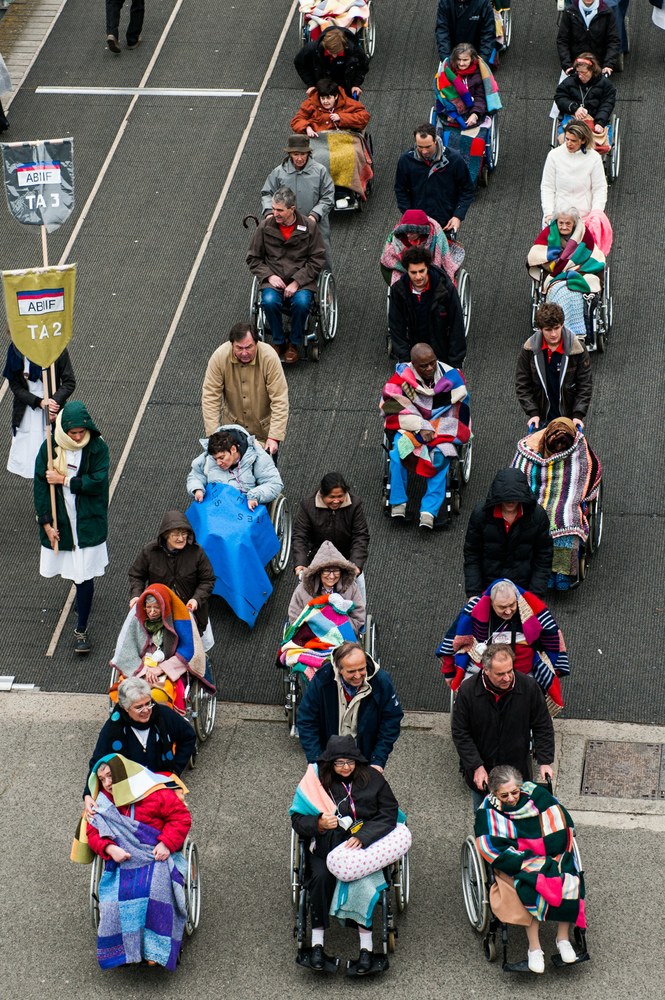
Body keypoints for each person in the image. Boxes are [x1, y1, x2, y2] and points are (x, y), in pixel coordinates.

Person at [290, 735, 410, 975]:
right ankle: (317, 945)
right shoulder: (316, 783)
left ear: (357, 760)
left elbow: (389, 812)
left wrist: (364, 836)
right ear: (330, 763)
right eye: (339, 763)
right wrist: (319, 823)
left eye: (350, 762)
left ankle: (366, 949)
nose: (345, 767)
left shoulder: (373, 779)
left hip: (364, 845)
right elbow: (297, 820)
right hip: (326, 845)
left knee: (362, 882)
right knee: (320, 878)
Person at [83, 755, 191, 970]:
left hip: (154, 854)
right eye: (102, 779)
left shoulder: (155, 793)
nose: (107, 783)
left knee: (156, 890)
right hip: (121, 859)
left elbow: (181, 818)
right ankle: (123, 951)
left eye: (110, 776)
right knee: (115, 899)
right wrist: (110, 848)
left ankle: (156, 951)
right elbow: (93, 832)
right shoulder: (102, 803)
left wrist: (166, 843)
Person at [475, 765, 586, 974]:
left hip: (549, 855)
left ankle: (562, 938)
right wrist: (527, 861)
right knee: (531, 885)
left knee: (569, 879)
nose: (511, 798)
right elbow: (491, 847)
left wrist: (549, 856)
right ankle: (535, 948)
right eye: (504, 795)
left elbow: (561, 824)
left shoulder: (538, 796)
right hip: (517, 861)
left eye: (514, 792)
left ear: (520, 786)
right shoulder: (487, 812)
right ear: (494, 793)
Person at [33, 400, 109, 654]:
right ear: (64, 430)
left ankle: (81, 629)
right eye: (73, 432)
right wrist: (46, 523)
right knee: (77, 572)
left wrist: (64, 479)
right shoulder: (49, 447)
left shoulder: (97, 447)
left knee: (84, 574)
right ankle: (82, 599)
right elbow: (40, 486)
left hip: (87, 521)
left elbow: (97, 482)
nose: (78, 437)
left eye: (81, 432)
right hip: (64, 522)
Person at [437, 578, 570, 714]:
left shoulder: (532, 610)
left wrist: (552, 667)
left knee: (533, 701)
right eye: (502, 607)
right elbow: (453, 642)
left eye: (512, 605)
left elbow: (553, 640)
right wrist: (449, 672)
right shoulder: (473, 610)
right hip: (482, 670)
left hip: (524, 672)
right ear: (491, 603)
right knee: (468, 696)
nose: (508, 611)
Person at [451, 644, 555, 810]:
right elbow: (460, 732)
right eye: (500, 674)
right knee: (484, 817)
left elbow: (542, 725)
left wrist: (545, 761)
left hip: (517, 770)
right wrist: (476, 766)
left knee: (519, 816)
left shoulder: (528, 687)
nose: (507, 678)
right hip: (484, 771)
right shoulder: (468, 691)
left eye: (510, 671)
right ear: (486, 670)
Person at [381, 342, 471, 529]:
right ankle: (398, 503)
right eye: (424, 366)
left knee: (441, 456)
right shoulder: (401, 380)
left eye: (432, 362)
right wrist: (420, 425)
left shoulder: (451, 377)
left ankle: (429, 511)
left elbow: (458, 409)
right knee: (398, 453)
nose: (430, 368)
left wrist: (433, 427)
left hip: (442, 426)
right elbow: (390, 407)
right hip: (410, 427)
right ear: (413, 365)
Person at [513, 417, 602, 590]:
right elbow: (521, 473)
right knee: (532, 518)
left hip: (567, 497)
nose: (559, 449)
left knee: (568, 519)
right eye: (556, 446)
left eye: (563, 446)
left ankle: (561, 571)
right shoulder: (530, 449)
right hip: (539, 496)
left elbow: (586, 472)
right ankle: (545, 568)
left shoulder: (579, 450)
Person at [83, 677, 196, 812]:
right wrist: (88, 794)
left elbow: (188, 736)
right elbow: (98, 760)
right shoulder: (113, 728)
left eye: (148, 703)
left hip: (160, 780)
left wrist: (176, 770)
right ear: (125, 708)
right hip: (130, 786)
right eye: (139, 707)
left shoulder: (164, 715)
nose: (146, 710)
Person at [246, 186, 326, 364]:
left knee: (302, 303)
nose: (275, 213)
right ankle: (278, 340)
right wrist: (269, 276)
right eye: (273, 209)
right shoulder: (264, 227)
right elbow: (253, 258)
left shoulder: (310, 227)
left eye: (280, 210)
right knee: (268, 301)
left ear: (292, 209)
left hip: (302, 279)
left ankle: (294, 343)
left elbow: (317, 258)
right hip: (274, 278)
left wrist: (297, 282)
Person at [297, 641, 403, 770]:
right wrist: (316, 760)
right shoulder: (322, 679)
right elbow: (307, 719)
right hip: (329, 759)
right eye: (351, 671)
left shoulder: (381, 681)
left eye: (362, 669)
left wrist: (378, 760)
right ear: (339, 669)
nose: (358, 676)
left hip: (365, 759)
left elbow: (391, 720)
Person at [110, 584, 209, 715]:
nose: (151, 612)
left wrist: (160, 669)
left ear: (164, 607)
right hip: (140, 668)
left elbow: (186, 651)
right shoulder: (136, 617)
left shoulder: (179, 618)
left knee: (157, 695)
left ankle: (158, 721)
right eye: (148, 607)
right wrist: (144, 670)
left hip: (168, 670)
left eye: (156, 608)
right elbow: (126, 650)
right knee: (129, 694)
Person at [463, 467, 553, 598]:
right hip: (489, 590)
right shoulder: (480, 515)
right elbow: (472, 554)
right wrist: (474, 593)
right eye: (506, 498)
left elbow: (544, 556)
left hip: (523, 591)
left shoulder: (537, 516)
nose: (510, 502)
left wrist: (535, 594)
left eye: (515, 498)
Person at [201, 321, 289, 453]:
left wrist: (274, 437)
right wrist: (214, 437)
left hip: (263, 434)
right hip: (231, 433)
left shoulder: (269, 357)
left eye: (248, 347)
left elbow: (279, 399)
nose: (244, 353)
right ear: (231, 344)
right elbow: (210, 397)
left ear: (256, 343)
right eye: (239, 348)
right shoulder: (219, 357)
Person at [128, 510, 215, 638]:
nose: (181, 538)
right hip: (160, 611)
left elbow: (207, 580)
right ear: (166, 535)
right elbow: (136, 575)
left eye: (184, 533)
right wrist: (136, 595)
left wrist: (196, 599)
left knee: (194, 642)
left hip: (190, 613)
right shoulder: (150, 551)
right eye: (176, 535)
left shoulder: (197, 552)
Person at [527, 207, 605, 339]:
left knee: (574, 291)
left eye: (568, 223)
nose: (564, 226)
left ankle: (572, 332)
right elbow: (537, 254)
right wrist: (557, 263)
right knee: (561, 291)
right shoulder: (548, 234)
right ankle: (560, 329)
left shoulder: (584, 235)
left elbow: (593, 256)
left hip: (579, 272)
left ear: (574, 223)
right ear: (556, 222)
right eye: (561, 223)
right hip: (555, 274)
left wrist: (572, 268)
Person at [516, 302, 592, 432]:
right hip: (541, 418)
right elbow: (522, 384)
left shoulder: (577, 350)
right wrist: (533, 412)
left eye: (556, 328)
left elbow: (585, 385)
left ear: (562, 324)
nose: (553, 334)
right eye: (548, 330)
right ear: (540, 329)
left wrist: (578, 414)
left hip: (569, 419)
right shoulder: (529, 350)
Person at [261, 134, 335, 268]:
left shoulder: (320, 171)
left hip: (315, 225)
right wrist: (269, 213)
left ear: (308, 153)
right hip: (286, 224)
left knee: (321, 255)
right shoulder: (278, 173)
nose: (300, 158)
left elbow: (328, 196)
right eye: (296, 154)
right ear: (290, 154)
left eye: (303, 154)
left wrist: (314, 216)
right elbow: (267, 193)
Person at [3, 343, 75, 478]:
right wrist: (39, 402)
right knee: (30, 459)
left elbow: (69, 382)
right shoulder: (17, 349)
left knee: (55, 459)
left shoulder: (56, 346)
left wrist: (54, 401)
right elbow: (15, 385)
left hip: (52, 411)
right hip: (27, 411)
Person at [292, 472, 370, 596]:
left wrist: (355, 564)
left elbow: (360, 535)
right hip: (317, 562)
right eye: (331, 497)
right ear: (322, 494)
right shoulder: (308, 505)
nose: (336, 501)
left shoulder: (354, 504)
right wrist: (301, 562)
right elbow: (300, 535)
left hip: (346, 560)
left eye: (340, 496)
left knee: (358, 596)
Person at [433, 43, 501, 183]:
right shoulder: (445, 73)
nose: (461, 63)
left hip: (474, 113)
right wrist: (450, 113)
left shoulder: (479, 75)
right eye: (459, 60)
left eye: (465, 60)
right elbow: (441, 97)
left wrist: (475, 114)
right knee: (446, 141)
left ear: (472, 59)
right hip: (451, 114)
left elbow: (481, 98)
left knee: (474, 142)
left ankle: (468, 178)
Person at [541, 119, 611, 254]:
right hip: (559, 218)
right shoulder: (554, 156)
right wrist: (548, 212)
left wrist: (596, 213)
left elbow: (599, 188)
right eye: (567, 139)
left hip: (584, 218)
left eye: (573, 140)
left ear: (583, 140)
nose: (569, 143)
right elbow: (547, 187)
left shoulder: (594, 158)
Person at [388, 247, 466, 367]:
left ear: (428, 268)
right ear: (407, 271)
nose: (418, 277)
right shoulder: (398, 291)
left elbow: (456, 325)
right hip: (413, 354)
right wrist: (405, 359)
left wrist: (455, 363)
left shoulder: (446, 289)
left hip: (441, 352)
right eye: (413, 273)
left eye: (421, 271)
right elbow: (396, 327)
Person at [394, 123, 475, 233]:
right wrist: (409, 215)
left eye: (428, 147)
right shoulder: (405, 160)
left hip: (445, 223)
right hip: (417, 223)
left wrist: (458, 216)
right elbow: (400, 190)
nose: (424, 151)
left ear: (435, 141)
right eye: (420, 147)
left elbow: (468, 190)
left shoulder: (455, 160)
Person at [187, 424, 283, 509]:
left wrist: (254, 495)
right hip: (214, 507)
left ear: (233, 449)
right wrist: (198, 489)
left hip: (244, 508)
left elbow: (274, 484)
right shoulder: (207, 458)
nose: (218, 463)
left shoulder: (258, 458)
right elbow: (196, 476)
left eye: (221, 457)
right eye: (215, 459)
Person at [288, 540, 366, 634]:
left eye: (336, 571)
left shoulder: (351, 588)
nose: (332, 576)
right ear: (318, 571)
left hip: (342, 635)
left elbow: (358, 619)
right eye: (327, 571)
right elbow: (295, 618)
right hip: (312, 636)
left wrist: (337, 625)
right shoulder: (302, 590)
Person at [380, 208, 458, 285]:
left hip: (429, 267)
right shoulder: (399, 239)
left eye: (411, 233)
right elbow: (389, 257)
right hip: (404, 269)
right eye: (406, 232)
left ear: (420, 232)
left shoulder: (436, 236)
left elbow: (443, 257)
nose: (408, 235)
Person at [554, 51, 616, 147]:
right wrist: (574, 108)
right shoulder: (569, 82)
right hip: (573, 118)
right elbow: (560, 97)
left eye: (583, 72)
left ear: (592, 70)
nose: (580, 76)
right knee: (568, 139)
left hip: (595, 118)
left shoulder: (606, 85)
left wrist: (600, 122)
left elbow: (607, 104)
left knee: (600, 142)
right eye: (578, 72)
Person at [294, 24, 369, 98]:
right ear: (325, 46)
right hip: (322, 86)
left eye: (338, 52)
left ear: (344, 46)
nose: (334, 56)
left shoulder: (354, 50)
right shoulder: (312, 49)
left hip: (346, 86)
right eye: (331, 52)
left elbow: (363, 65)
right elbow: (299, 63)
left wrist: (356, 84)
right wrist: (311, 84)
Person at [556, 0, 621, 75]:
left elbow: (613, 41)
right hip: (576, 65)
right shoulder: (569, 12)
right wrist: (567, 65)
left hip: (599, 65)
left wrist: (608, 64)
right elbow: (562, 40)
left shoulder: (607, 12)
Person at [290, 77, 370, 136]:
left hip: (343, 139)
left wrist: (341, 118)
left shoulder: (348, 103)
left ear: (336, 96)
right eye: (322, 98)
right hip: (318, 139)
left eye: (328, 98)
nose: (325, 101)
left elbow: (364, 117)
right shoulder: (310, 103)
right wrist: (307, 128)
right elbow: (296, 120)